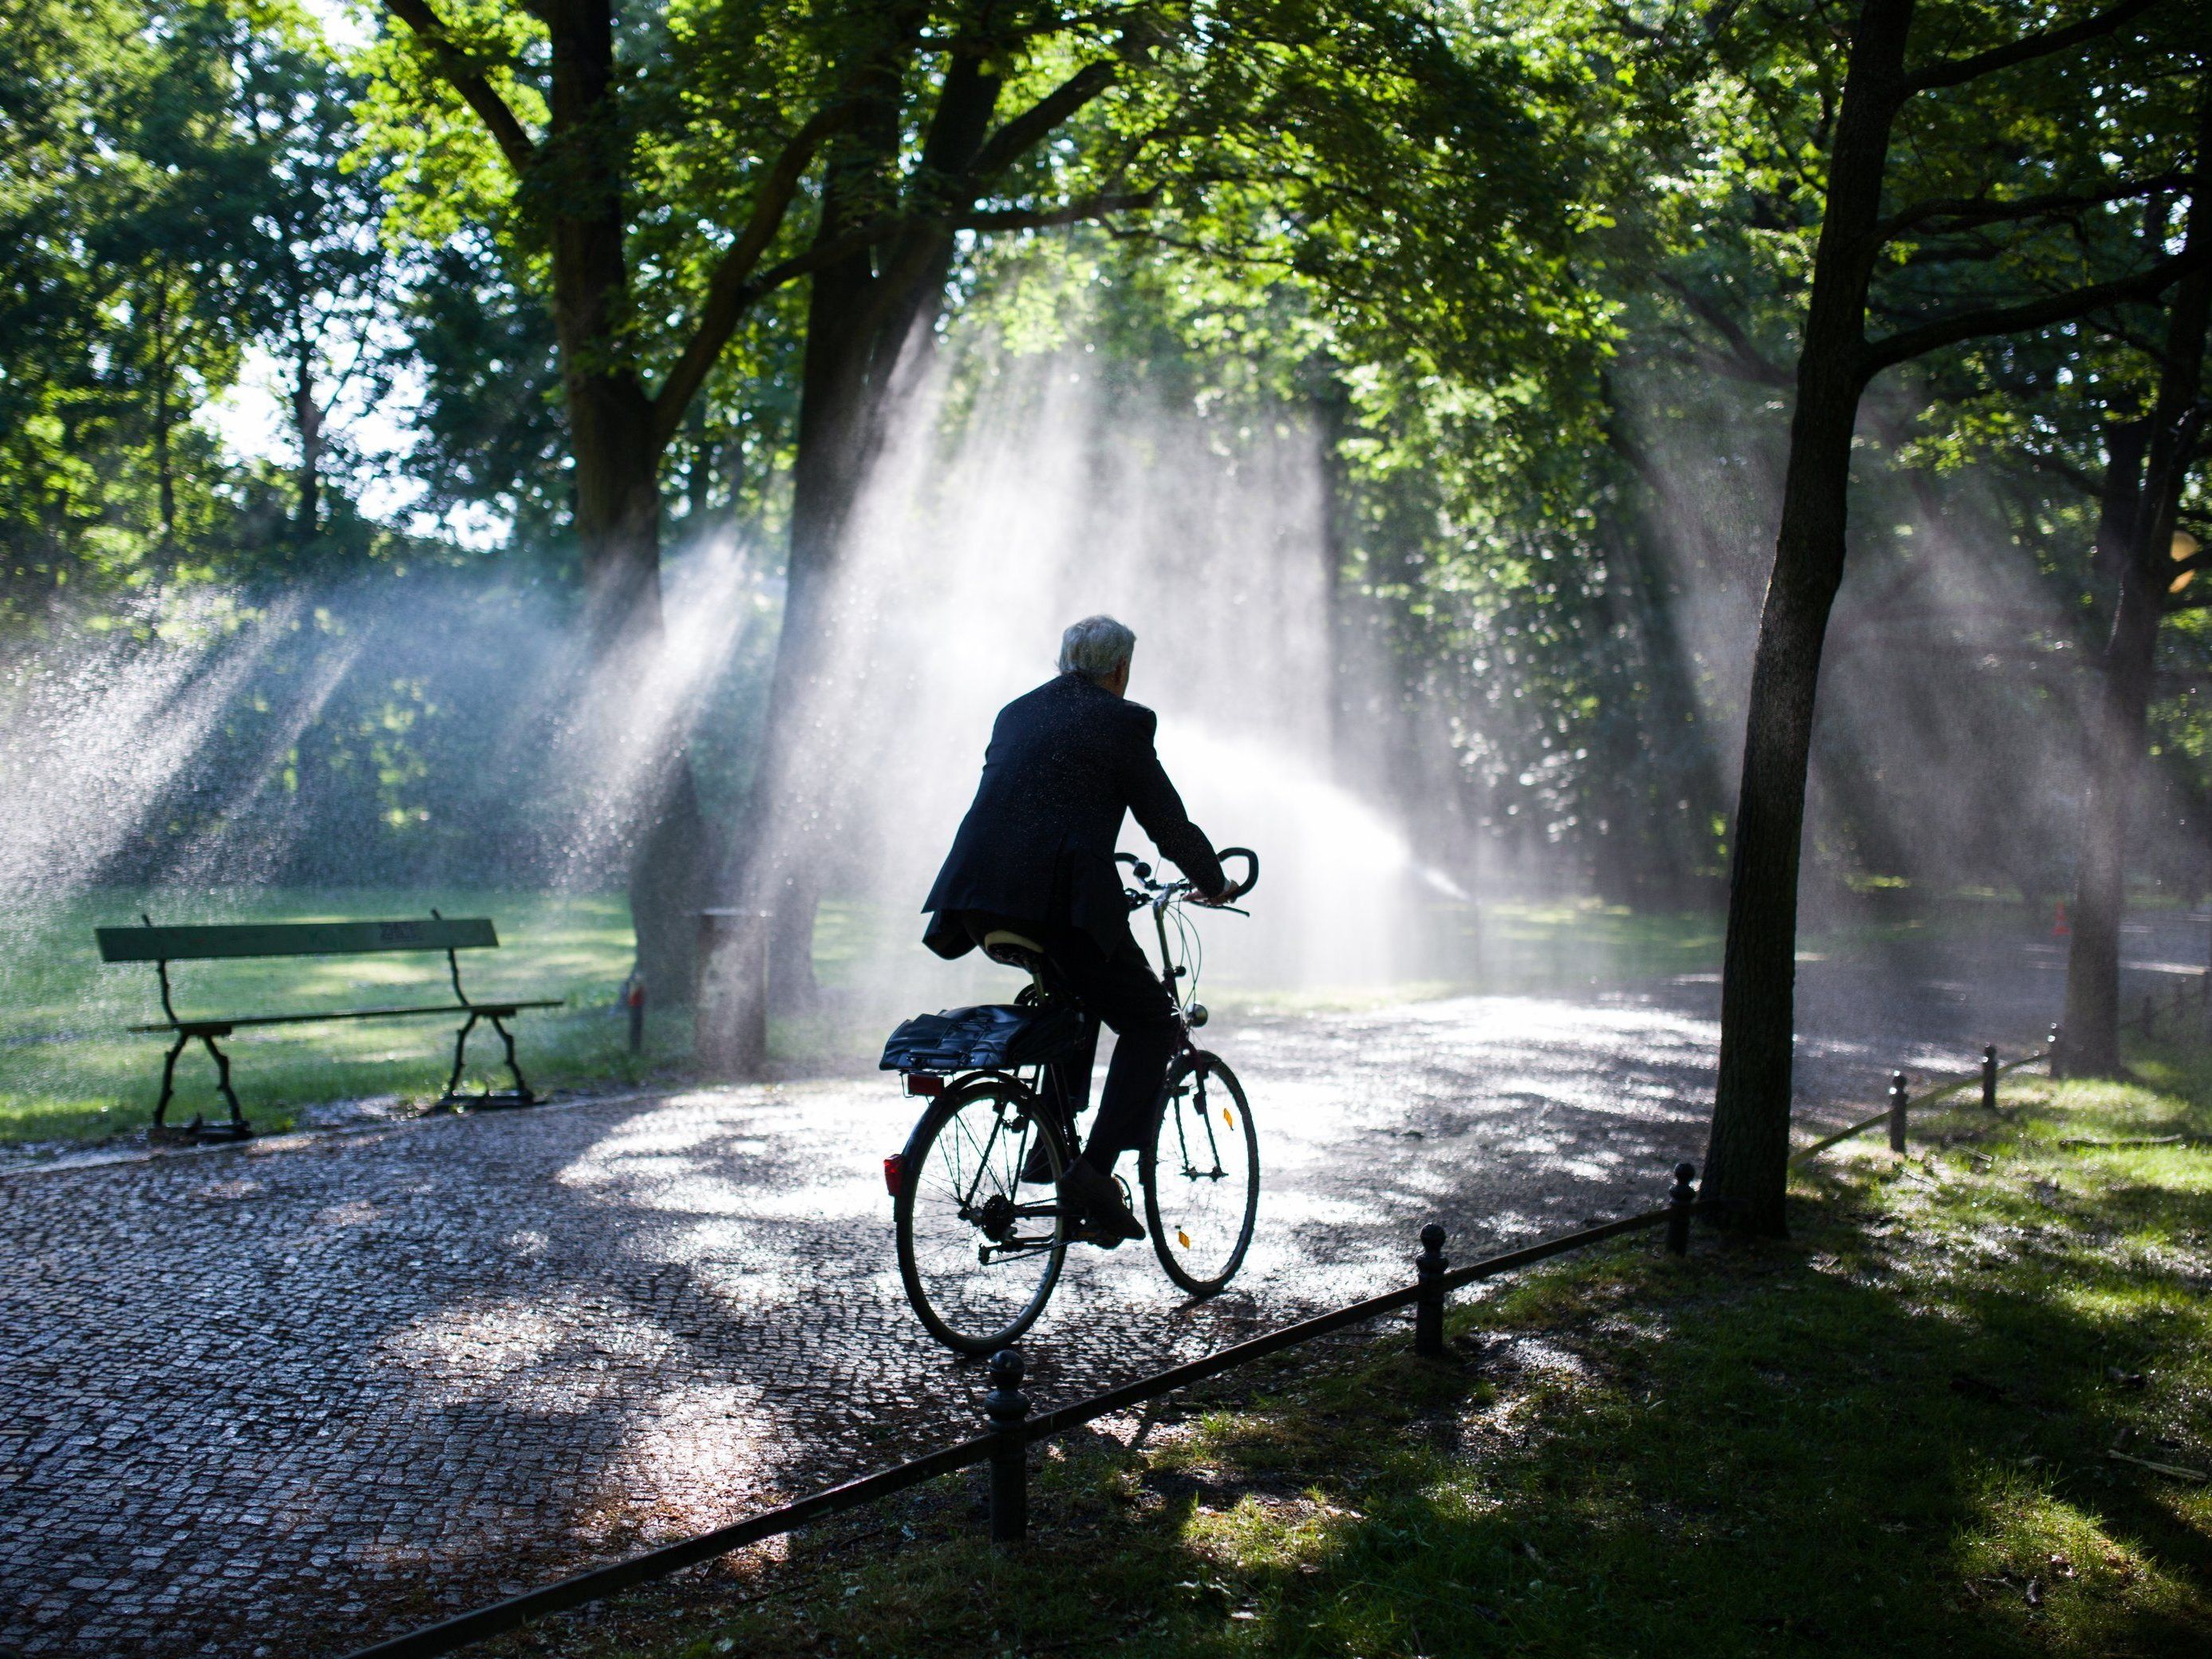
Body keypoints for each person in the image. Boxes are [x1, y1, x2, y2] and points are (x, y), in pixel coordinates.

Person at [922, 614, 1234, 1244]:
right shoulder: (1123, 720)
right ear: (1120, 671)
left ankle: (1048, 1143)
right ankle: (1090, 1173)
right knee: (1152, 1022)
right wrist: (1213, 879)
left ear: (1065, 661)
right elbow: (1165, 822)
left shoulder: (1015, 711)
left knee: (1078, 996)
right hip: (1058, 906)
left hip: (978, 901)